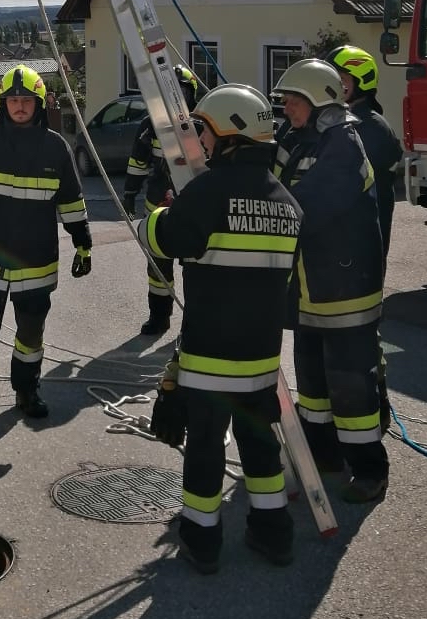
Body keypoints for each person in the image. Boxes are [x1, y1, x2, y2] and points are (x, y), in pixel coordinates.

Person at [145, 84, 303, 573]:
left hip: (209, 355)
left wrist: (156, 216)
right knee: (259, 446)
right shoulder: (287, 202)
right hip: (260, 359)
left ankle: (202, 538)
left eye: (206, 132)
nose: (203, 144)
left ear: (228, 133)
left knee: (206, 450)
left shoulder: (208, 191)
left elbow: (168, 239)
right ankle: (273, 532)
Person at [0, 64, 92, 434]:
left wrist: (83, 243)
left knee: (30, 335)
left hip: (36, 261)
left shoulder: (56, 148)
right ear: (4, 105)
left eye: (27, 100)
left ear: (39, 104)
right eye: (13, 100)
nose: (20, 106)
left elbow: (71, 201)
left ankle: (27, 392)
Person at [272, 58, 389, 504]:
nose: (286, 108)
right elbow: (268, 176)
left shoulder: (344, 145)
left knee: (350, 386)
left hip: (344, 292)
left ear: (319, 101)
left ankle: (369, 470)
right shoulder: (297, 138)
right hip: (309, 292)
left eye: (293, 100)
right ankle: (323, 456)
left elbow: (306, 207)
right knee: (314, 387)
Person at [123, 64, 202, 337]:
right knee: (157, 269)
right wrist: (130, 194)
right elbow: (137, 163)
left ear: (191, 94)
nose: (174, 97)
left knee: (196, 271)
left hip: (194, 212)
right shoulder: (150, 125)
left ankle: (194, 325)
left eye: (180, 91)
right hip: (156, 207)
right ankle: (159, 318)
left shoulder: (202, 126)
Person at [326, 44, 402, 266]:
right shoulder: (347, 119)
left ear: (361, 81)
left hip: (362, 242)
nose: (334, 87)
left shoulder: (372, 126)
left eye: (341, 80)